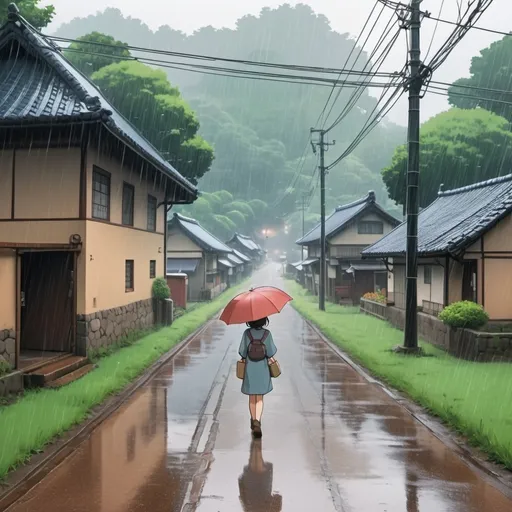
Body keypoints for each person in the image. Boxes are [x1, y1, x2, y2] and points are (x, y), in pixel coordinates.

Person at [238, 317, 277, 438]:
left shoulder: (247, 333)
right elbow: (270, 352)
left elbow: (242, 352)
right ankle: (258, 421)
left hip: (250, 368)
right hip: (263, 368)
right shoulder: (267, 334)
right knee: (259, 397)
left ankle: (253, 419)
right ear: (264, 320)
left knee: (252, 396)